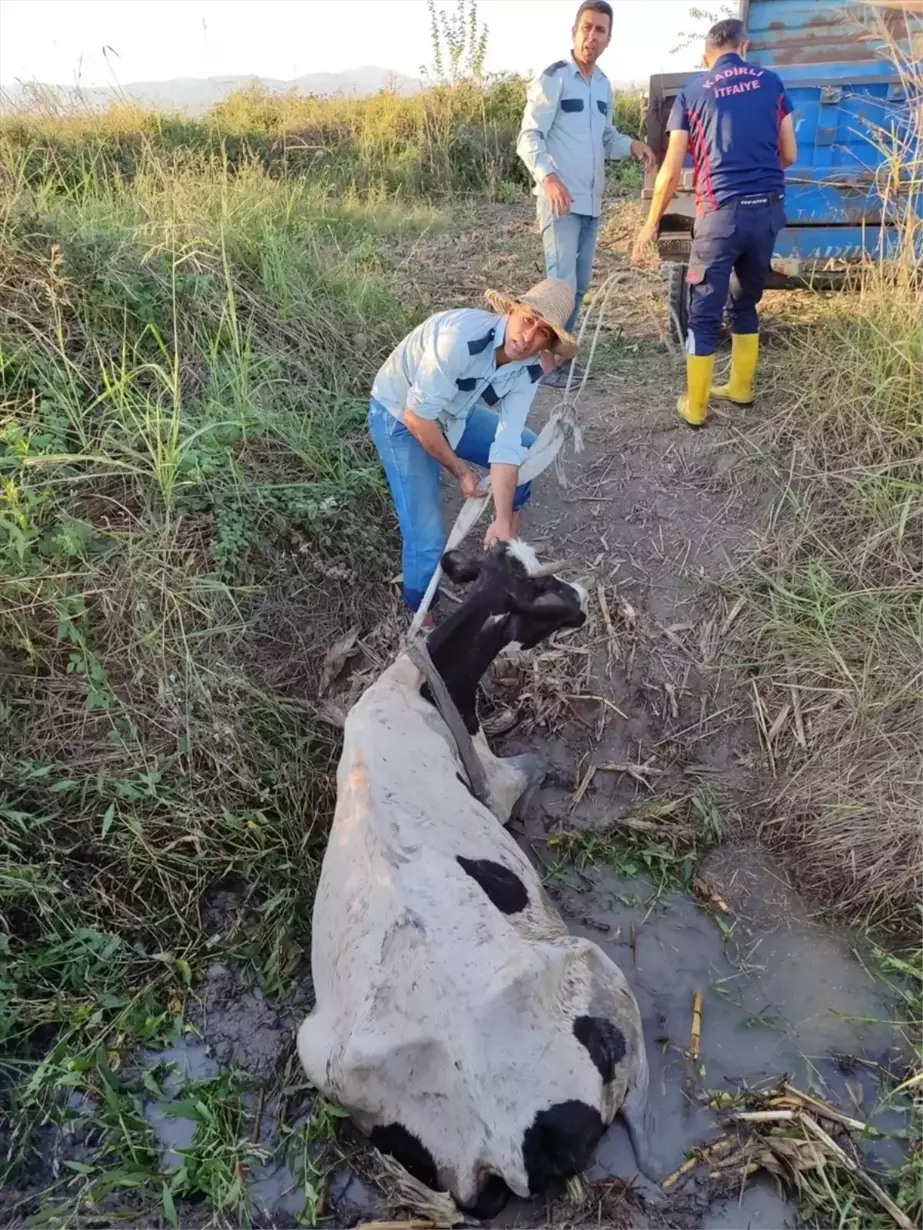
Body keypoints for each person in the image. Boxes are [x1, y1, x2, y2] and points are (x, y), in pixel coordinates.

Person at [368, 278, 577, 629]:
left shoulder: (527, 369)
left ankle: (506, 546)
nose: (527, 338)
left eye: (542, 333)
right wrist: (460, 471)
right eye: (527, 320)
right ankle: (423, 620)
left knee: (526, 449)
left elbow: (507, 444)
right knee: (428, 536)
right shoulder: (460, 340)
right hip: (400, 414)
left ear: (550, 344)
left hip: (453, 413)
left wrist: (500, 517)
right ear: (512, 310)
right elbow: (416, 416)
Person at [632, 18, 797, 427]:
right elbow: (789, 153)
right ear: (743, 47)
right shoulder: (771, 82)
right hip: (769, 211)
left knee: (704, 314)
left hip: (721, 215)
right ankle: (741, 388)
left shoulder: (692, 93)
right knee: (746, 302)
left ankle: (697, 406)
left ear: (706, 55)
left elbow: (670, 171)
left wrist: (650, 224)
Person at [517, 0, 656, 388]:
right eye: (586, 28)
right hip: (561, 202)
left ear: (609, 39)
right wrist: (549, 178)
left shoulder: (604, 85)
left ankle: (559, 359)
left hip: (591, 205)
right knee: (558, 287)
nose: (591, 37)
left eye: (600, 31)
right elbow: (529, 136)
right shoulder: (554, 78)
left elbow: (606, 137)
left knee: (577, 287)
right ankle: (544, 366)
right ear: (573, 31)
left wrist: (633, 146)